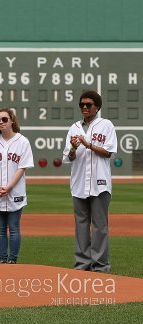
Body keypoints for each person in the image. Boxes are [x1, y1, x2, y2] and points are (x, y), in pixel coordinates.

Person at [62, 91, 117, 273]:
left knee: (100, 226)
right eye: (82, 104)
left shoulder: (106, 125)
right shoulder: (74, 127)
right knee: (81, 226)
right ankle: (82, 264)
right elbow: (68, 157)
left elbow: (109, 152)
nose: (84, 107)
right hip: (79, 183)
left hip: (100, 183)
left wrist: (87, 144)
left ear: (97, 107)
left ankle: (100, 266)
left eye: (89, 104)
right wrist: (73, 148)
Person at [0, 108, 33, 264]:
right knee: (0, 229)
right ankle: (3, 260)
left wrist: (9, 187)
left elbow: (22, 167)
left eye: (4, 119)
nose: (1, 123)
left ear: (12, 120)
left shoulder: (22, 141)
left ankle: (13, 260)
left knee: (14, 227)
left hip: (14, 191)